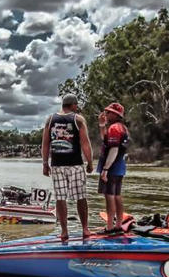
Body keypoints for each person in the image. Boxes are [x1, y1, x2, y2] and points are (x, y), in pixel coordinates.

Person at [41, 93, 93, 240]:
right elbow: (85, 143)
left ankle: (64, 232)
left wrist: (45, 164)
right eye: (76, 105)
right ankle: (85, 229)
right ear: (74, 105)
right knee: (80, 197)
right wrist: (90, 162)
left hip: (57, 165)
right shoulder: (78, 119)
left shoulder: (50, 119)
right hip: (75, 165)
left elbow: (45, 144)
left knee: (60, 198)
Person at [97, 103, 129, 233]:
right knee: (117, 195)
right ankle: (118, 225)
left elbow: (114, 149)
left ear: (115, 115)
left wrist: (105, 169)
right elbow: (105, 140)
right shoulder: (122, 128)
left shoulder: (114, 128)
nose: (106, 114)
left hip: (112, 166)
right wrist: (102, 125)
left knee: (109, 196)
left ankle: (110, 227)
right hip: (119, 165)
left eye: (108, 112)